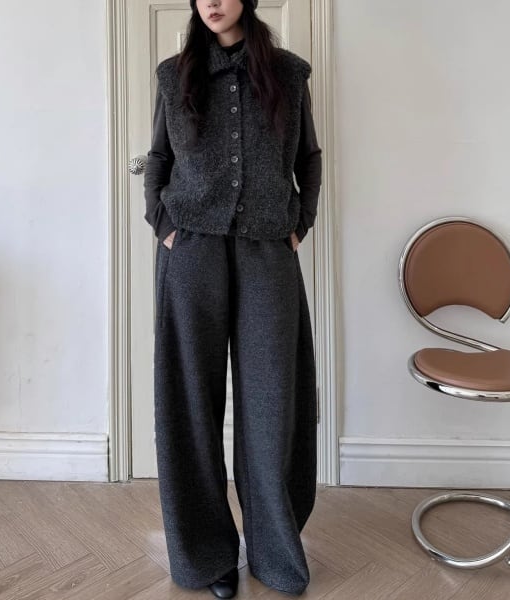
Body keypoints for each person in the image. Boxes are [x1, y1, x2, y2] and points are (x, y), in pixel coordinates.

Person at [143, 0, 322, 597]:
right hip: (191, 248)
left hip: (268, 248)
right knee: (189, 402)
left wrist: (301, 221)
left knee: (273, 403)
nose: (212, 3)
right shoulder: (174, 75)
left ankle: (274, 552)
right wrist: (163, 224)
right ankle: (204, 556)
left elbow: (309, 158)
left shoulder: (289, 73)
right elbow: (159, 159)